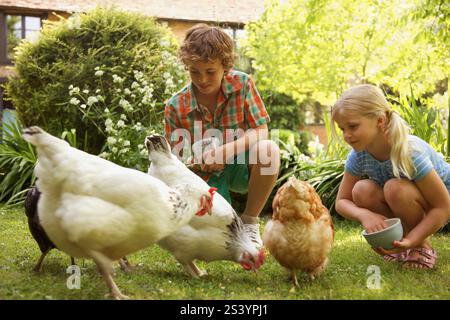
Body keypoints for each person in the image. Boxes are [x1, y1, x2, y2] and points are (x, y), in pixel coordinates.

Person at [164, 23, 280, 248]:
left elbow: (261, 130)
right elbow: (173, 161)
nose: (202, 79)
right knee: (220, 236)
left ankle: (249, 223)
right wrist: (198, 163)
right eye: (194, 71)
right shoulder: (175, 106)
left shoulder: (243, 84)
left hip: (240, 167)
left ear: (225, 67)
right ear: (186, 66)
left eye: (210, 72)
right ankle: (226, 225)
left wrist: (225, 151)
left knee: (269, 150)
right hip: (204, 177)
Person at [333, 84, 450, 269]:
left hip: (438, 204)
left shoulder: (409, 152)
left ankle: (421, 246)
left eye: (353, 126)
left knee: (394, 188)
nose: (346, 135)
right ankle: (399, 244)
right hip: (408, 199)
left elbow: (443, 206)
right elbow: (342, 202)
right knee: (362, 190)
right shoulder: (358, 156)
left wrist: (413, 239)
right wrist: (364, 215)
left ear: (380, 120)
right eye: (342, 129)